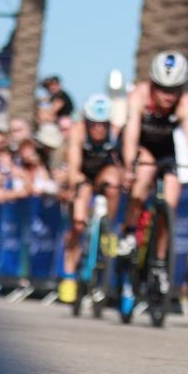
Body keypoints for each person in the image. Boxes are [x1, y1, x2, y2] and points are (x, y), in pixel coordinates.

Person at [117, 51, 188, 257]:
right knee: (145, 172)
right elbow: (132, 134)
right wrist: (129, 167)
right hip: (139, 145)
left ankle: (161, 261)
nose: (168, 96)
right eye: (162, 89)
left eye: (173, 90)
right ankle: (129, 230)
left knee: (170, 204)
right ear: (153, 84)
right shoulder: (139, 96)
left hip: (164, 149)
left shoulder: (185, 104)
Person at [59, 95, 124, 303]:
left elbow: (120, 164)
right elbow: (74, 164)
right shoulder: (78, 131)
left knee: (114, 184)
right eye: (94, 124)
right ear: (87, 122)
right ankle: (69, 276)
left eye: (103, 124)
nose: (99, 129)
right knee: (77, 225)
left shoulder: (114, 133)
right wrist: (74, 183)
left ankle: (107, 229)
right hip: (83, 174)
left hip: (103, 173)